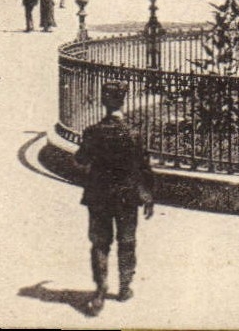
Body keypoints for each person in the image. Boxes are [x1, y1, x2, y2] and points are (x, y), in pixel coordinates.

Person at [74, 80, 155, 316]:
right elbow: (144, 168)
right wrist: (148, 195)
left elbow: (80, 160)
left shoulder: (92, 132)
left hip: (99, 194)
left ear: (103, 101)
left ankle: (100, 289)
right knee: (127, 241)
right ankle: (125, 288)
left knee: (100, 242)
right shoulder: (133, 133)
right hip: (127, 196)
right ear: (123, 100)